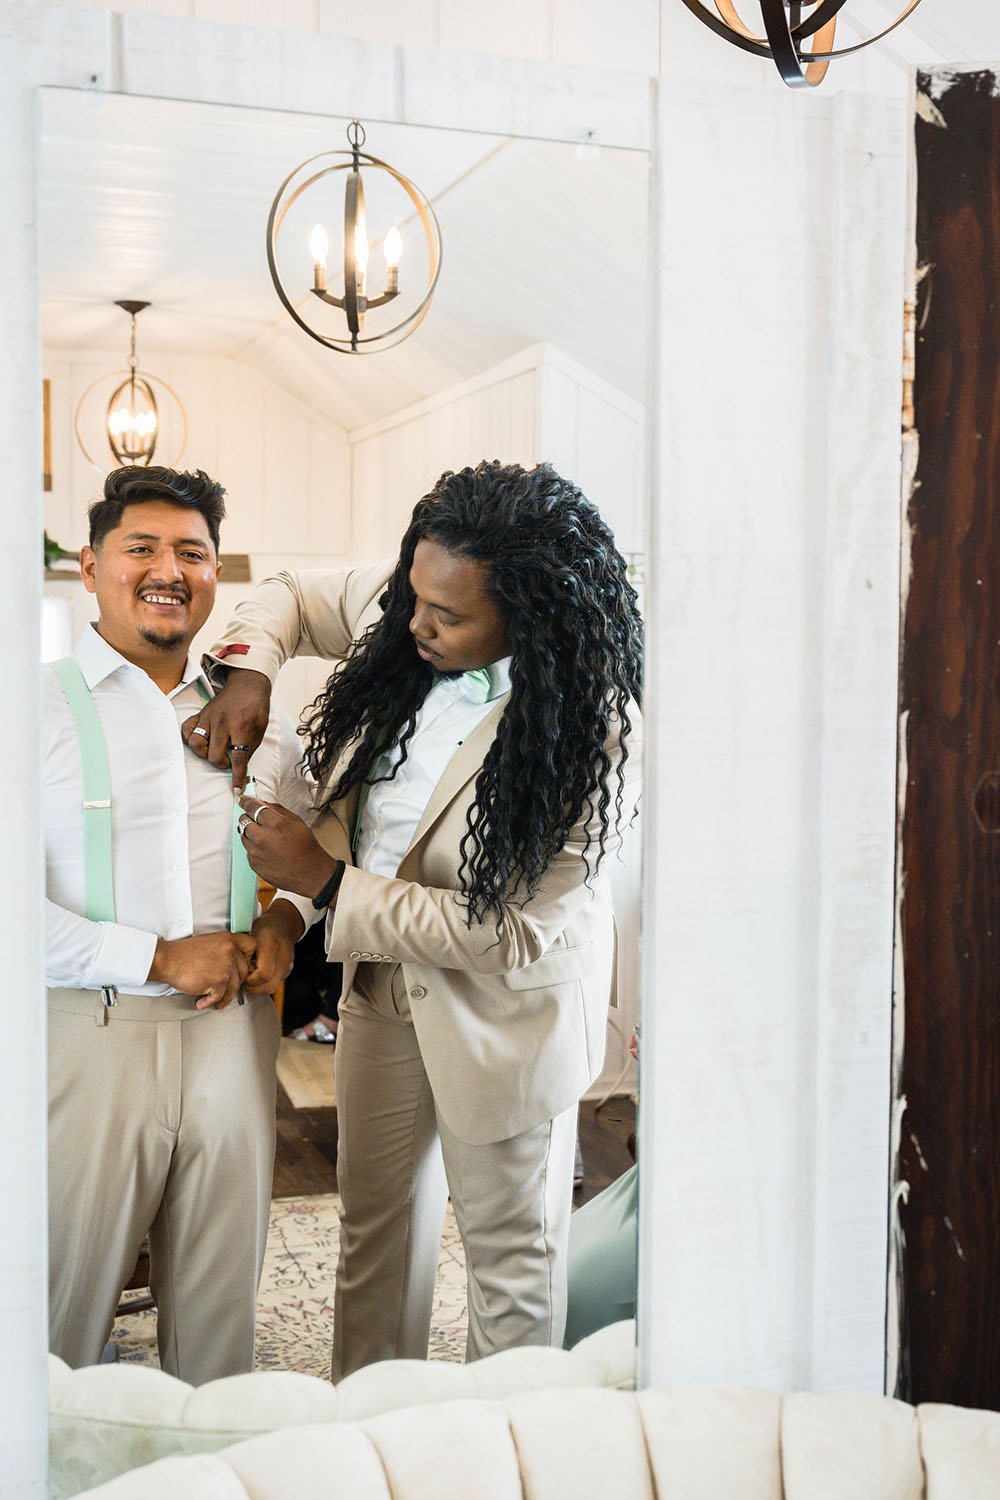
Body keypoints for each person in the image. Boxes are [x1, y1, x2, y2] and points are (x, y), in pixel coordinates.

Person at [182, 459, 643, 1377]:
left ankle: (511, 1452)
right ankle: (371, 1427)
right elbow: (284, 594)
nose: (416, 626)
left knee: (513, 1265)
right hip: (382, 996)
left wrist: (325, 884)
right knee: (374, 1233)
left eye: (449, 616)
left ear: (530, 616)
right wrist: (249, 670)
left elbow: (513, 932)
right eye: (413, 601)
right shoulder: (412, 608)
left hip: (504, 1019)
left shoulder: (596, 732)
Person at [45, 465, 312, 1384]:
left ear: (214, 576)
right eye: (142, 548)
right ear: (90, 566)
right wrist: (158, 953)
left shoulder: (260, 716)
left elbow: (317, 842)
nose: (169, 569)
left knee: (217, 1305)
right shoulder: (27, 706)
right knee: (61, 1313)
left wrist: (285, 927)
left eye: (191, 552)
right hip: (88, 1030)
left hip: (235, 1036)